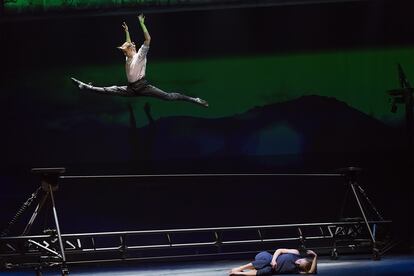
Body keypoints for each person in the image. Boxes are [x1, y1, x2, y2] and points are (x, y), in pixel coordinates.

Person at [71, 13, 208, 108]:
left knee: (169, 97)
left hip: (143, 87)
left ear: (131, 49)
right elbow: (128, 43)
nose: (123, 51)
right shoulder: (128, 55)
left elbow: (148, 39)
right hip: (130, 88)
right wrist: (127, 32)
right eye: (123, 50)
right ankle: (85, 87)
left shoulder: (140, 55)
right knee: (110, 89)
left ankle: (193, 100)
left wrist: (142, 24)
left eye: (125, 49)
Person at [229, 248, 317, 275]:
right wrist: (274, 260)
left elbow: (311, 271)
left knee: (268, 271)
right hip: (265, 256)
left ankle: (239, 274)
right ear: (304, 258)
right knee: (268, 261)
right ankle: (240, 268)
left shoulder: (297, 270)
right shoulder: (296, 253)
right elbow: (279, 250)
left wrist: (316, 257)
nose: (298, 262)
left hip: (268, 268)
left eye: (300, 264)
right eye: (301, 261)